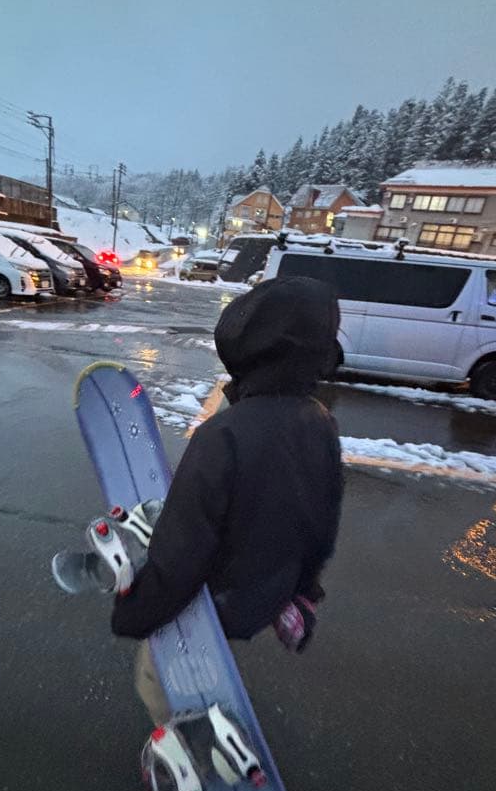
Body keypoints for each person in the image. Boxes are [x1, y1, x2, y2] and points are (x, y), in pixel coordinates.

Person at [110, 275, 344, 723]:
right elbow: (322, 520)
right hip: (262, 594)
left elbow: (182, 550)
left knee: (159, 680)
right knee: (216, 659)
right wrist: (303, 593)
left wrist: (135, 612)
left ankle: (183, 739)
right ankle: (211, 695)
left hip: (208, 601)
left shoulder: (223, 436)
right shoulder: (319, 423)